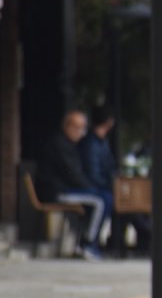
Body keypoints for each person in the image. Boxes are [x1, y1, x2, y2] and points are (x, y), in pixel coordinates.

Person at [78, 104, 151, 257]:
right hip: (93, 187)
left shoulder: (101, 142)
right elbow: (93, 173)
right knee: (107, 200)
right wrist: (111, 185)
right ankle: (89, 242)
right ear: (109, 122)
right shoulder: (91, 143)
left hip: (101, 185)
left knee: (124, 199)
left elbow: (109, 167)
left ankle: (126, 240)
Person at [35, 110, 109, 260]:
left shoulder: (70, 145)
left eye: (82, 127)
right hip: (56, 192)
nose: (79, 131)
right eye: (76, 127)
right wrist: (91, 188)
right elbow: (72, 175)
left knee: (103, 198)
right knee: (100, 201)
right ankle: (88, 244)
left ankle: (86, 241)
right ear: (66, 126)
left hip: (65, 189)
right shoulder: (59, 145)